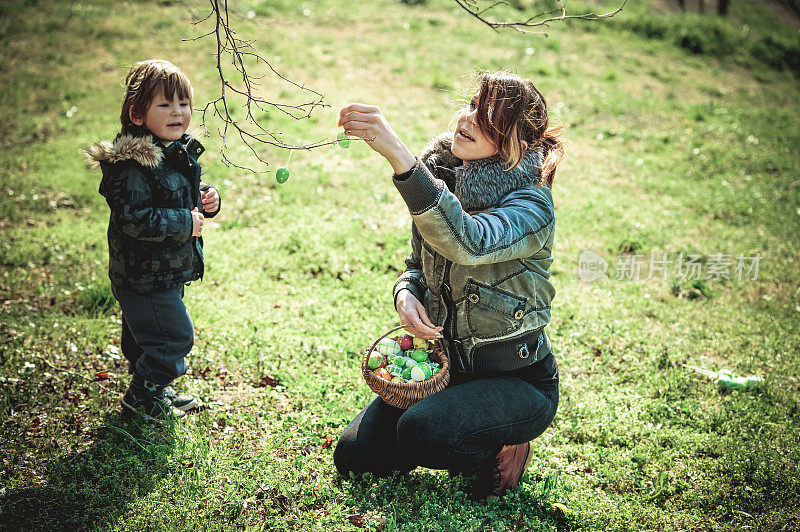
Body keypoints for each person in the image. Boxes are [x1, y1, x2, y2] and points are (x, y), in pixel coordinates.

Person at [333, 71, 565, 502]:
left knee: (422, 431)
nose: (469, 118)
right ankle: (454, 419)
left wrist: (400, 157)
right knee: (354, 457)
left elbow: (468, 241)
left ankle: (506, 438)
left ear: (516, 145)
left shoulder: (532, 204)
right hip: (447, 371)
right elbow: (418, 264)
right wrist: (406, 292)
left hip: (517, 381)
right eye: (474, 105)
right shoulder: (444, 175)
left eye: (489, 118)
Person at [85, 59, 221, 420]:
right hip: (144, 275)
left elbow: (177, 193)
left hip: (164, 269)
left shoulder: (175, 151)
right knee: (172, 338)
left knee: (145, 335)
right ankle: (142, 397)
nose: (178, 112)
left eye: (184, 103)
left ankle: (153, 387)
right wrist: (185, 222)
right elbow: (133, 219)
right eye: (165, 104)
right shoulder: (131, 165)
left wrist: (206, 198)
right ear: (137, 114)